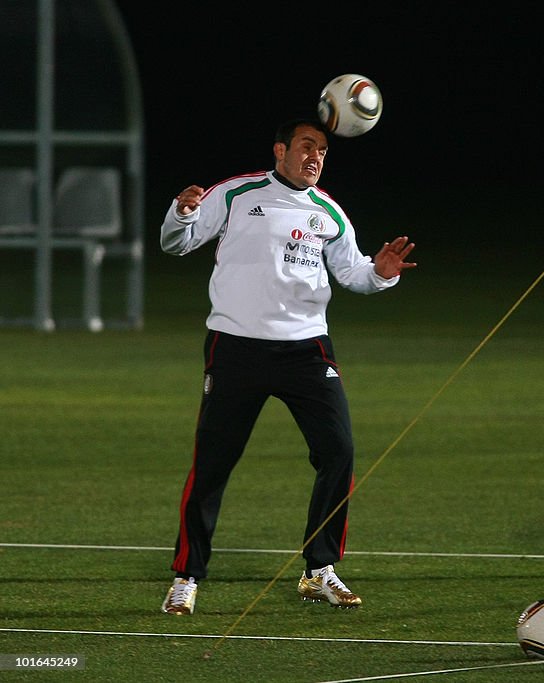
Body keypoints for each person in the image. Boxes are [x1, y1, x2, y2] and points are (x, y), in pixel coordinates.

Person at [159, 118, 416, 615]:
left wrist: (380, 275)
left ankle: (319, 570)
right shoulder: (237, 194)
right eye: (306, 146)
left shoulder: (330, 213)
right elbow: (178, 243)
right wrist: (181, 214)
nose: (315, 156)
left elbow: (352, 273)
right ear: (281, 149)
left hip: (306, 350)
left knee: (338, 450)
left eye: (322, 149)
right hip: (236, 348)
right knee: (212, 464)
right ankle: (187, 576)